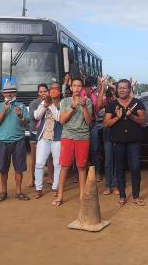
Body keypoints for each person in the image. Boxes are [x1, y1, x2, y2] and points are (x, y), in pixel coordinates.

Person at [104, 79, 147, 207]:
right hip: (118, 141)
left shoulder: (137, 103)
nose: (122, 90)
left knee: (135, 167)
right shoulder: (112, 105)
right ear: (116, 89)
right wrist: (117, 117)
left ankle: (136, 196)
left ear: (129, 89)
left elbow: (143, 121)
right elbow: (107, 123)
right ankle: (122, 196)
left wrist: (132, 116)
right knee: (120, 169)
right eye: (120, 88)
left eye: (125, 87)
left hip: (134, 141)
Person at [53, 77, 93, 206]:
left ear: (82, 88)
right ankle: (60, 195)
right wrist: (73, 107)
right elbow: (62, 120)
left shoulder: (87, 101)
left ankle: (82, 195)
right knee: (64, 166)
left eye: (79, 86)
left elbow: (88, 121)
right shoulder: (65, 101)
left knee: (82, 167)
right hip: (67, 137)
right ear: (71, 88)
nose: (76, 88)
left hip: (83, 137)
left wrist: (84, 107)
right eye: (74, 86)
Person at [0, 80, 31, 202]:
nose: (8, 95)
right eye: (6, 92)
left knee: (19, 168)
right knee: (3, 169)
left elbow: (26, 125)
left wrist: (20, 115)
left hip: (18, 140)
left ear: (15, 93)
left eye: (11, 92)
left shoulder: (22, 106)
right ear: (3, 94)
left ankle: (19, 192)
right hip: (3, 141)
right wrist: (4, 110)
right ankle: (4, 192)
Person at [32, 86, 63, 198]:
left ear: (60, 92)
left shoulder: (63, 103)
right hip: (44, 137)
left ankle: (55, 187)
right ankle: (38, 188)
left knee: (57, 164)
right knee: (39, 163)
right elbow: (36, 116)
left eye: (56, 89)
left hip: (57, 138)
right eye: (52, 89)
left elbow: (60, 118)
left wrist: (51, 106)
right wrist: (45, 105)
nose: (53, 91)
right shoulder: (44, 102)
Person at [84, 75, 106, 182]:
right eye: (91, 86)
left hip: (92, 124)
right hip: (81, 126)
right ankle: (80, 173)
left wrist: (102, 87)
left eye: (94, 86)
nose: (92, 88)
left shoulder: (93, 95)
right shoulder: (80, 94)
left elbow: (98, 107)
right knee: (82, 148)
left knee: (95, 148)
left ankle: (98, 172)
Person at [27, 84, 47, 188]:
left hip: (47, 133)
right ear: (38, 93)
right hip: (35, 132)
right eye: (41, 92)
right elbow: (32, 117)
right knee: (34, 157)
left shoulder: (50, 102)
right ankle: (31, 177)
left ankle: (51, 177)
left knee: (50, 158)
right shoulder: (33, 103)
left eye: (45, 91)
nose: (43, 93)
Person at [101, 87, 118, 195]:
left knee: (117, 162)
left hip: (118, 136)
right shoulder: (107, 107)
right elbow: (105, 123)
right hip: (108, 136)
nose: (113, 97)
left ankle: (115, 185)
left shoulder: (122, 105)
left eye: (114, 95)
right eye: (111, 95)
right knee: (108, 161)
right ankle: (108, 185)